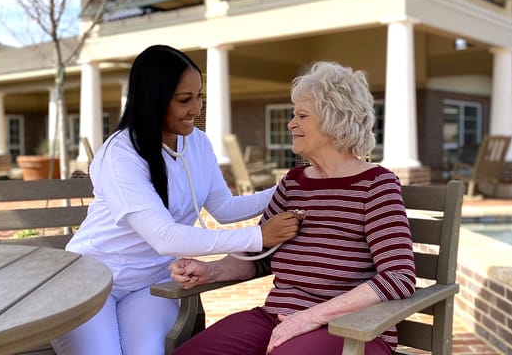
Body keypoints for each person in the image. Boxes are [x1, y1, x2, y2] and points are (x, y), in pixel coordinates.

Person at [51, 44, 300, 355]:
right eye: (185, 100)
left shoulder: (197, 143)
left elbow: (222, 208)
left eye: (200, 97)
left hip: (150, 285)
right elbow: (165, 237)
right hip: (91, 281)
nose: (197, 109)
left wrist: (289, 187)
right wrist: (257, 237)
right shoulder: (120, 154)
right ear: (154, 100)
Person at [169, 61, 416, 355]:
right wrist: (209, 271)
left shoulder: (376, 185)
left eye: (301, 115)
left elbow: (398, 277)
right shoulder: (294, 183)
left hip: (352, 330)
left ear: (334, 119)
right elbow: (260, 256)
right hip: (278, 318)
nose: (291, 124)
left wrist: (310, 317)